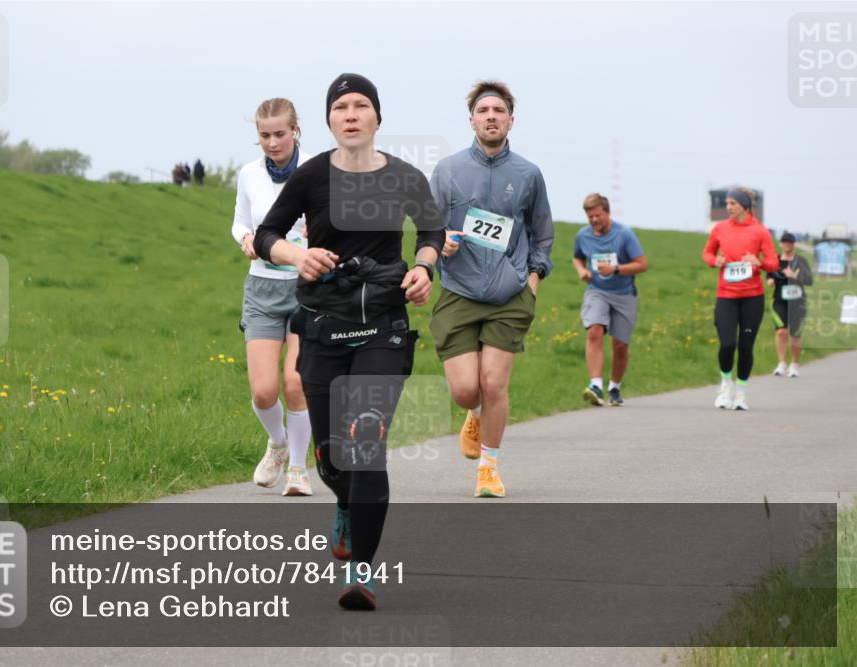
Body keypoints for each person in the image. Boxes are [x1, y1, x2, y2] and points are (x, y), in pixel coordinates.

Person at [254, 73, 444, 610]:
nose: (352, 113)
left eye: (362, 105)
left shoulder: (405, 176)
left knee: (366, 440)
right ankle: (342, 501)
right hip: (323, 324)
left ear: (378, 117)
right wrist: (298, 255)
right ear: (330, 120)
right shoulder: (311, 177)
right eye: (342, 106)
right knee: (335, 459)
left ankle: (361, 572)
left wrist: (425, 268)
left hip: (383, 324)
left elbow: (431, 231)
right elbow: (267, 235)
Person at [430, 80, 554, 498]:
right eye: (483, 111)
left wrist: (532, 282)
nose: (491, 117)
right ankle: (473, 413)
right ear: (471, 120)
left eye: (498, 111)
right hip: (458, 291)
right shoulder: (447, 170)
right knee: (467, 388)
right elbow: (428, 228)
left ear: (511, 121)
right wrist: (440, 240)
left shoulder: (528, 174)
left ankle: (489, 467)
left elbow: (542, 235)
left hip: (509, 294)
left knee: (494, 384)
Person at [231, 98, 313, 496]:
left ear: (295, 130)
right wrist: (246, 238)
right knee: (264, 390)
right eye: (264, 136)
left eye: (280, 134)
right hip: (262, 287)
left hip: (306, 287)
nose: (272, 142)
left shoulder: (319, 170)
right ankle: (278, 444)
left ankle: (298, 468)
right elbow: (240, 222)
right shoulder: (248, 174)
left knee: (295, 381)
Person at [701, 187, 779, 410]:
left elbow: (774, 262)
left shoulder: (760, 231)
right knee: (727, 344)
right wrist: (713, 260)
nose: (728, 207)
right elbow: (706, 253)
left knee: (745, 347)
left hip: (752, 297)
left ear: (745, 205)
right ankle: (726, 385)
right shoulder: (720, 229)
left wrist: (759, 262)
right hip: (726, 296)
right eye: (726, 203)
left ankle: (741, 393)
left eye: (733, 203)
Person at [572, 193, 648, 407]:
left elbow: (642, 264)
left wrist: (615, 269)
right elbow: (577, 256)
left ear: (607, 212)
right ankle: (595, 385)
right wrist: (581, 270)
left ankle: (614, 386)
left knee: (620, 345)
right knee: (594, 330)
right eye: (590, 217)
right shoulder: (583, 235)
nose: (594, 220)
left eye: (597, 215)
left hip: (624, 294)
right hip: (597, 290)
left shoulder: (624, 234)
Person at [767, 231, 813, 377]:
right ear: (780, 244)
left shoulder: (801, 261)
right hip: (779, 300)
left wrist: (794, 275)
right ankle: (781, 364)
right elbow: (769, 276)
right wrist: (770, 281)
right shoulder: (774, 260)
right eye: (784, 241)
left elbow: (809, 281)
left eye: (790, 242)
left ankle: (794, 364)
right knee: (781, 332)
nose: (787, 244)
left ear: (793, 244)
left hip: (798, 302)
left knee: (795, 335)